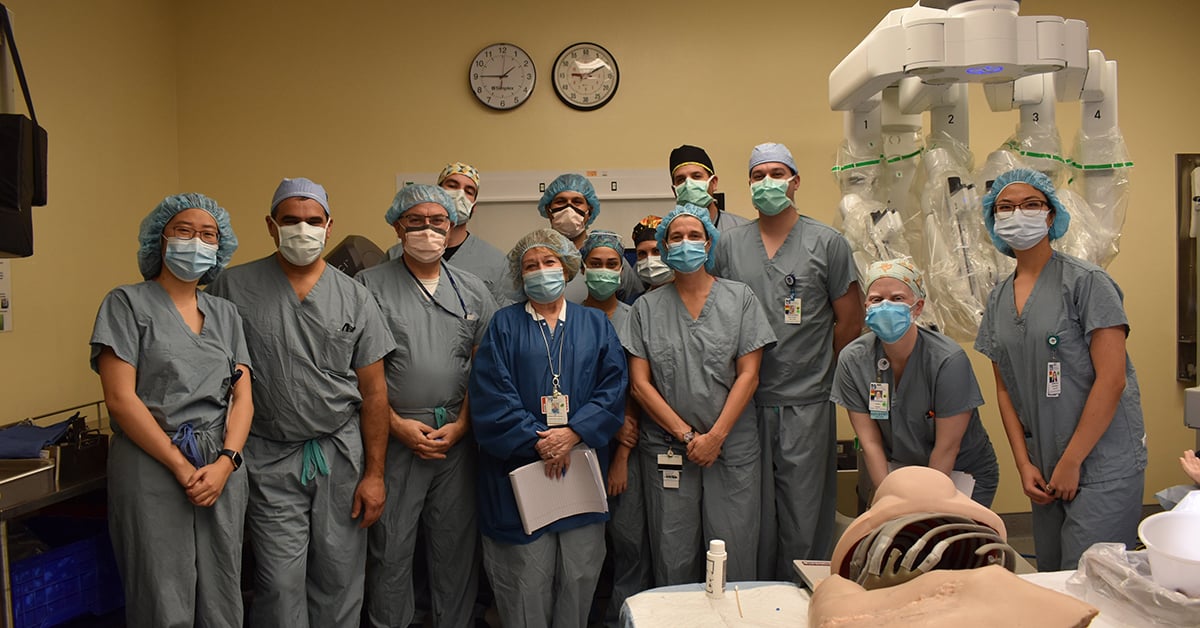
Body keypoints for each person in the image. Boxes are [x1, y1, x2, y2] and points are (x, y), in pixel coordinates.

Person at [207, 177, 394, 626]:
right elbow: (211, 373)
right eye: (291, 220)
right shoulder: (233, 287)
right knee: (279, 581)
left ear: (329, 227)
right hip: (268, 455)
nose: (303, 229)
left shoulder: (355, 296)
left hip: (340, 456)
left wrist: (374, 475)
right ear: (271, 226)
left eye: (313, 220)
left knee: (340, 576)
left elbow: (374, 393)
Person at [974, 168, 1147, 571]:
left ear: (1051, 215)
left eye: (1031, 204)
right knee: (1054, 576)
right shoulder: (998, 299)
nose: (1018, 213)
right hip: (1045, 466)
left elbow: (1112, 379)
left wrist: (1072, 460)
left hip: (1101, 462)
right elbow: (1005, 389)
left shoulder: (1087, 282)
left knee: (1094, 580)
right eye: (1005, 207)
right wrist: (1023, 463)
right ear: (993, 219)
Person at [90, 193, 251, 627]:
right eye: (184, 230)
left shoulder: (226, 314)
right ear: (160, 239)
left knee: (223, 593)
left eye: (208, 234)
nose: (197, 241)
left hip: (219, 466)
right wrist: (180, 465)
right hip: (152, 465)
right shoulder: (126, 304)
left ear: (220, 246)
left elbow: (242, 396)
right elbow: (120, 399)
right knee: (161, 593)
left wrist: (227, 461)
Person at [711, 142, 864, 578]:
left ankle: (803, 596)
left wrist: (813, 370)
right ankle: (756, 597)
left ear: (795, 181)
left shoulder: (828, 243)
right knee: (750, 513)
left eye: (777, 174)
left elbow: (849, 322)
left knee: (804, 512)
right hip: (744, 401)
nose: (767, 183)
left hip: (806, 402)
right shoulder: (729, 245)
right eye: (758, 176)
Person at [468, 228, 627, 628]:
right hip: (520, 473)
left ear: (567, 267)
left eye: (549, 262)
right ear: (519, 275)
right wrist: (540, 441)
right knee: (525, 580)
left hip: (580, 469)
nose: (541, 271)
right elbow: (491, 394)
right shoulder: (504, 325)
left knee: (579, 575)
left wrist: (572, 434)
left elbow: (613, 387)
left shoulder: (595, 324)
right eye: (530, 265)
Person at [359, 184, 497, 628]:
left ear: (451, 225)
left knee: (455, 547)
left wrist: (463, 424)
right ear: (398, 226)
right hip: (395, 434)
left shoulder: (472, 290)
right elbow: (360, 371)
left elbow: (484, 367)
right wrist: (395, 425)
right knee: (391, 547)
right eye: (415, 221)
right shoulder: (369, 285)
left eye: (437, 221)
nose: (427, 229)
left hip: (456, 432)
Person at [625, 203, 777, 584]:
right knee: (672, 555)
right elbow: (640, 385)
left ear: (709, 244)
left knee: (734, 553)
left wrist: (715, 437)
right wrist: (689, 436)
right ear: (664, 246)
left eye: (694, 236)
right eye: (676, 237)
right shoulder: (645, 309)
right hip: (670, 448)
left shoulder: (739, 299)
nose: (685, 243)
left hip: (731, 447)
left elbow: (749, 376)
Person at [831, 258, 1000, 507]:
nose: (885, 306)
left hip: (960, 472)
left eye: (897, 298)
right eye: (876, 299)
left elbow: (947, 448)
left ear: (917, 307)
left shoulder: (947, 360)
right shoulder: (853, 360)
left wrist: (922, 506)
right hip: (899, 471)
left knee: (943, 530)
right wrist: (889, 498)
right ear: (866, 306)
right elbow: (871, 443)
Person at [578, 230, 650, 625]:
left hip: (625, 445)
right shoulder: (569, 317)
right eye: (595, 263)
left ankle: (619, 619)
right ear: (582, 268)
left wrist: (622, 452)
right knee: (582, 545)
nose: (604, 271)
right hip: (580, 444)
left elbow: (637, 386)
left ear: (623, 270)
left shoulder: (633, 317)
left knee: (628, 540)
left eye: (612, 264)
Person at [387, 162, 513, 305]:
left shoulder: (495, 261)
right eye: (452, 186)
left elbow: (506, 313)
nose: (460, 195)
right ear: (436, 194)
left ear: (474, 207)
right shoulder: (395, 255)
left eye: (469, 191)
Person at [537, 173, 641, 303]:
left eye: (577, 202)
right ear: (548, 210)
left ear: (589, 211)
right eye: (560, 201)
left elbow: (631, 304)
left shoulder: (610, 257)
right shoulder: (535, 257)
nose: (569, 208)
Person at [668, 144, 751, 232]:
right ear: (674, 191)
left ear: (714, 182)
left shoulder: (742, 230)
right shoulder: (669, 233)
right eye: (681, 180)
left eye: (696, 176)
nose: (688, 185)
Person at [631, 215, 673, 291]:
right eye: (642, 253)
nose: (649, 260)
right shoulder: (641, 298)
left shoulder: (691, 294)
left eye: (657, 251)